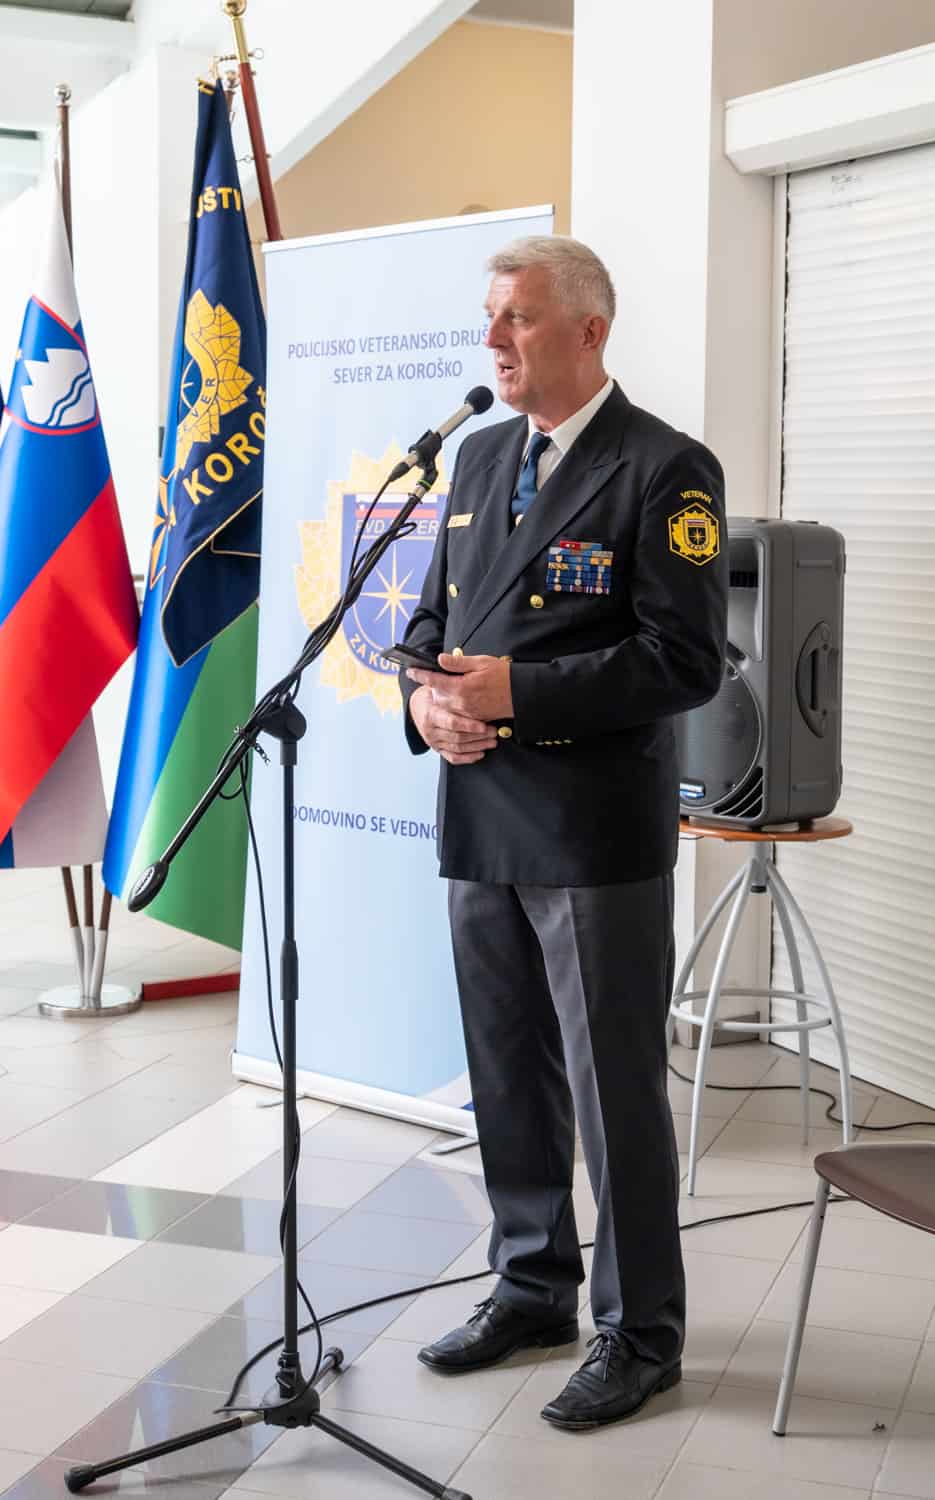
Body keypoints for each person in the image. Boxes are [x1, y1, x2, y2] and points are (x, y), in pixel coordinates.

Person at [398, 235, 728, 1430]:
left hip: (592, 833)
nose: (494, 339)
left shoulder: (666, 468)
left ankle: (640, 1332)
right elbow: (428, 627)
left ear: (590, 330)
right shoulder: (481, 453)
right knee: (507, 1072)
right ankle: (531, 1286)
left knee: (611, 1091)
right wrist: (426, 703)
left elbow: (685, 660)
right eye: (491, 316)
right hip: (481, 812)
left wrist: (518, 695)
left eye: (519, 318)